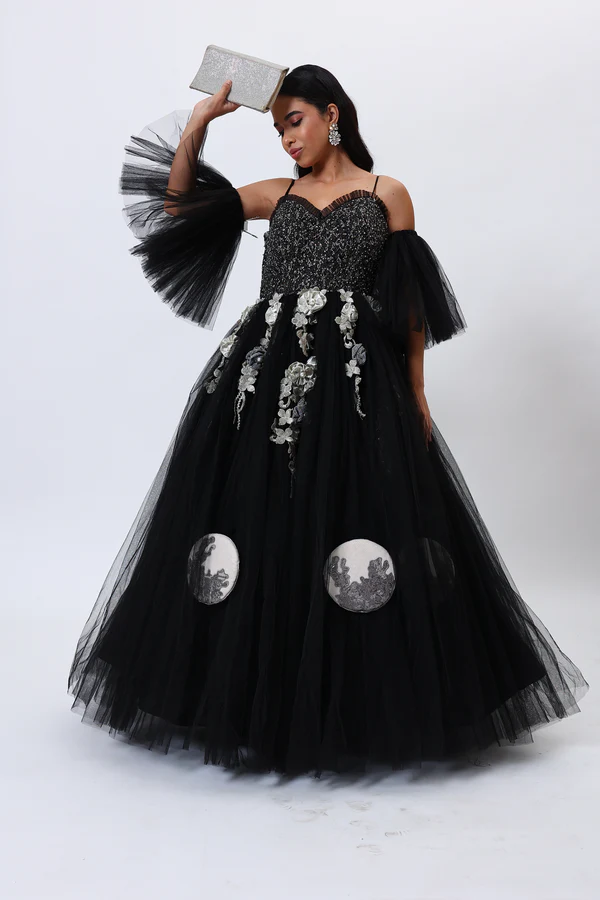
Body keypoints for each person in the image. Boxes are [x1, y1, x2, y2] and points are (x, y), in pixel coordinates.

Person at [67, 65, 589, 777]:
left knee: (348, 519)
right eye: (277, 128)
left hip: (355, 385)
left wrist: (416, 390)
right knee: (258, 521)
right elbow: (178, 208)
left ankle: (356, 702)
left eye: (295, 120)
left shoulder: (386, 194)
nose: (287, 138)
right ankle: (252, 698)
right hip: (263, 380)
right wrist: (199, 125)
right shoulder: (275, 195)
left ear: (332, 114)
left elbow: (408, 304)